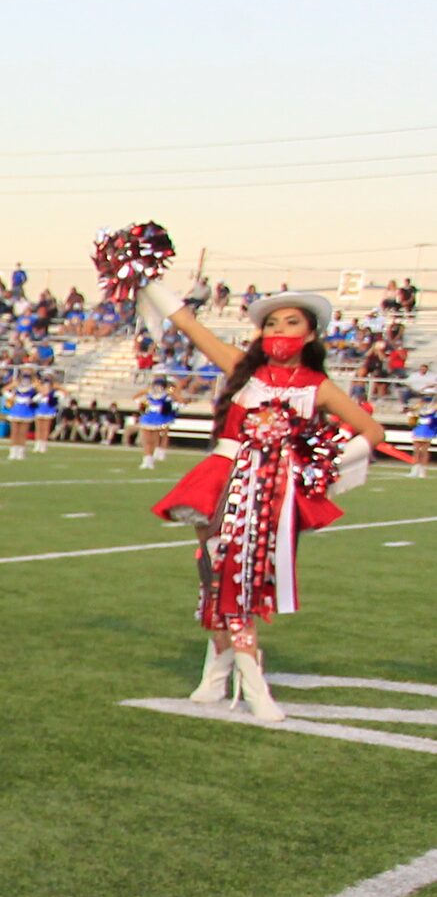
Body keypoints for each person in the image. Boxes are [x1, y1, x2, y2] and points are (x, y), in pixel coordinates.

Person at [148, 286, 386, 720]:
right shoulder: (242, 367)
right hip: (221, 479)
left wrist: (321, 467)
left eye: (291, 322)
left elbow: (371, 431)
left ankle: (247, 675)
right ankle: (223, 663)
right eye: (272, 323)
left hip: (271, 490)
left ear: (312, 335)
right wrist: (144, 279)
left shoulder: (319, 387)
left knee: (243, 577)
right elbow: (187, 324)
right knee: (215, 574)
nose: (279, 330)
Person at [138, 377, 179, 468]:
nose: (157, 388)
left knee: (156, 438)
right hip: (147, 418)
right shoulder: (148, 392)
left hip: (159, 419)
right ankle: (146, 459)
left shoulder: (166, 394)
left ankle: (155, 456)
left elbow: (175, 396)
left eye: (159, 386)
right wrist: (142, 405)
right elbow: (136, 398)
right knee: (146, 440)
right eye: (156, 385)